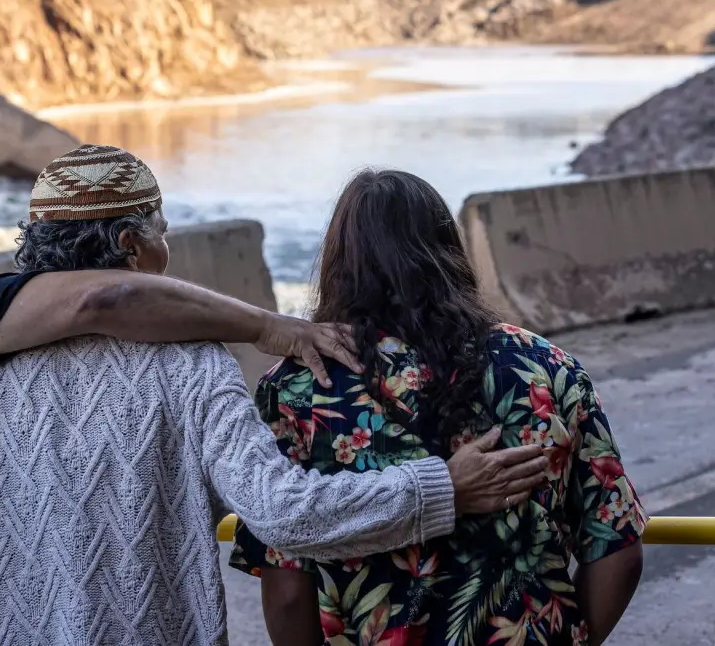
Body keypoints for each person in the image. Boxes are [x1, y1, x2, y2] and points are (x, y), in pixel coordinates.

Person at [0, 146, 549, 646]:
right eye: (161, 231)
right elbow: (286, 512)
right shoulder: (190, 367)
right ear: (125, 244)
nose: (169, 249)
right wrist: (444, 486)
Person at [231, 169, 646, 646]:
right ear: (448, 250)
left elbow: (287, 591)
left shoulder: (297, 390)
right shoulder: (546, 367)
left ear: (340, 263)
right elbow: (618, 549)